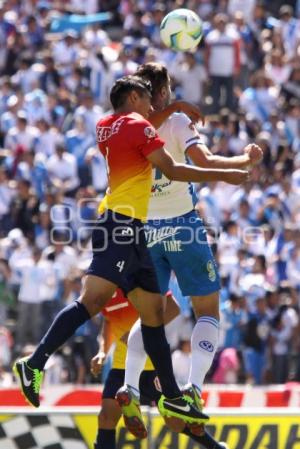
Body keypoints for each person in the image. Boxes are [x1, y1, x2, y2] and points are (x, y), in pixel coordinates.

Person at [13, 75, 248, 425]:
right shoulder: (138, 126)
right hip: (121, 227)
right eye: (147, 99)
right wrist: (223, 175)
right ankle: (33, 363)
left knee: (153, 313)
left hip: (134, 230)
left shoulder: (105, 126)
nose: (152, 106)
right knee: (92, 301)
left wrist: (176, 108)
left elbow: (148, 129)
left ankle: (173, 398)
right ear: (135, 97)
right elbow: (172, 168)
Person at [117, 64, 262, 435]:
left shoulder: (127, 129)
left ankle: (130, 387)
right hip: (183, 225)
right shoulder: (178, 122)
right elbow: (207, 163)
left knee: (155, 312)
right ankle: (194, 389)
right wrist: (245, 161)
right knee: (208, 309)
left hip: (145, 230)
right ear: (162, 91)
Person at [91, 288, 229, 449]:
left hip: (152, 366)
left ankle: (214, 446)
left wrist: (139, 333)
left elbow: (173, 308)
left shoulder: (136, 277)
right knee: (106, 417)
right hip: (121, 366)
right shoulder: (103, 289)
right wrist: (102, 352)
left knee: (176, 421)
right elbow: (108, 321)